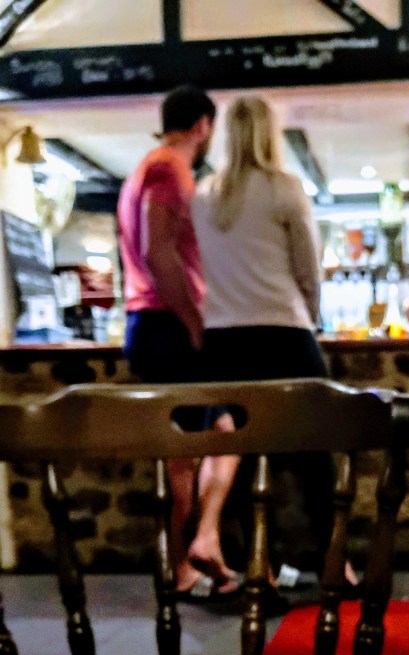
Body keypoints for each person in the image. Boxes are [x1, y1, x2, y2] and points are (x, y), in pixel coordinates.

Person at [192, 96, 355, 587]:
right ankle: (335, 563)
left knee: (239, 456)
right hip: (284, 333)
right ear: (269, 133)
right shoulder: (285, 188)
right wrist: (313, 320)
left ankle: (256, 565)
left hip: (223, 341)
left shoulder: (204, 195)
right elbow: (308, 269)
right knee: (317, 457)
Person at [118, 84, 239, 599]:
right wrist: (193, 321)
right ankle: (179, 566)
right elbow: (159, 250)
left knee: (226, 430)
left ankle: (205, 542)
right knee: (183, 456)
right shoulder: (169, 168)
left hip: (154, 322)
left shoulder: (147, 169)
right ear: (203, 125)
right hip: (166, 324)